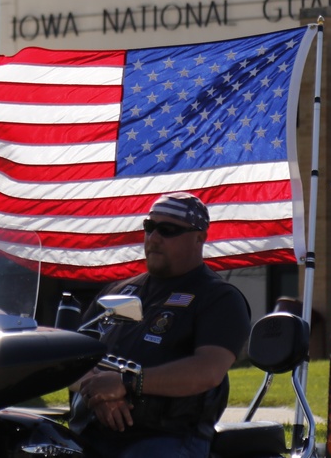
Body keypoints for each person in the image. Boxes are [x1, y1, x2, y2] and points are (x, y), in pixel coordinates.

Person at [70, 191, 251, 458]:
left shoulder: (219, 298)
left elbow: (208, 371)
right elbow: (73, 358)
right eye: (149, 227)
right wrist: (98, 392)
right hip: (92, 430)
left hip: (166, 438)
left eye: (168, 230)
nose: (154, 238)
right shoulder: (120, 291)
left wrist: (127, 382)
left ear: (199, 237)